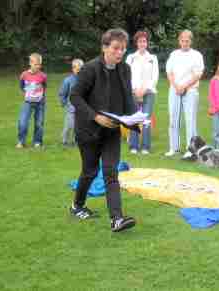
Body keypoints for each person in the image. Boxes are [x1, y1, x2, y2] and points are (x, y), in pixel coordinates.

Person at [70, 28, 137, 232]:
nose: (120, 53)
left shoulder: (124, 69)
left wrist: (134, 118)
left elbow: (127, 98)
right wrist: (96, 116)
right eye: (116, 48)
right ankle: (77, 206)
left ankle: (116, 219)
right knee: (89, 172)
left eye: (123, 49)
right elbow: (75, 96)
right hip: (88, 130)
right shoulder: (90, 69)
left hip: (112, 131)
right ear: (104, 47)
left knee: (111, 172)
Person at [165, 29, 205, 158]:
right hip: (175, 89)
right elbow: (169, 72)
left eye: (187, 41)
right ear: (179, 41)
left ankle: (191, 149)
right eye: (182, 41)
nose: (184, 43)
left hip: (191, 90)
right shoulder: (174, 54)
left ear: (191, 41)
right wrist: (176, 86)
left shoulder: (197, 55)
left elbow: (197, 74)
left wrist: (185, 86)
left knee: (190, 120)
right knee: (173, 119)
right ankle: (174, 148)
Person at [125, 30, 159, 155]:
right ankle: (133, 146)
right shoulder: (130, 58)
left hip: (149, 92)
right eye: (140, 41)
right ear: (136, 43)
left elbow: (154, 77)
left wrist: (145, 89)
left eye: (144, 41)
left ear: (147, 43)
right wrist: (135, 90)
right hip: (133, 92)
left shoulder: (153, 58)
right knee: (134, 118)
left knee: (146, 119)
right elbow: (126, 75)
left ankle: (145, 147)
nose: (142, 44)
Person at [16, 53, 47, 148]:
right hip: (28, 102)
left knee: (39, 123)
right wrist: (28, 94)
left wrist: (40, 96)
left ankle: (37, 142)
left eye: (39, 64)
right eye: (36, 64)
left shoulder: (43, 76)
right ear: (30, 63)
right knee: (22, 122)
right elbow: (21, 86)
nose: (38, 66)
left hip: (40, 103)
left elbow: (44, 86)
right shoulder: (24, 75)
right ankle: (21, 141)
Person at [58, 58, 84, 146]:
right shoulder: (68, 80)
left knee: (79, 126)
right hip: (71, 107)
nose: (79, 71)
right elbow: (62, 93)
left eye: (81, 69)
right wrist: (64, 103)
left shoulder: (85, 80)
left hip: (81, 108)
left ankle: (76, 140)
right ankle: (64, 140)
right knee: (70, 125)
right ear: (73, 69)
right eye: (77, 69)